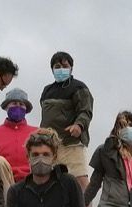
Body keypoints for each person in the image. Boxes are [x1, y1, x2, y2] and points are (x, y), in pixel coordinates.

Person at [39, 51, 94, 195]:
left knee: (80, 179)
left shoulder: (79, 87)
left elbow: (85, 111)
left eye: (65, 66)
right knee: (51, 182)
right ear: (52, 69)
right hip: (50, 145)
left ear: (71, 68)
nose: (61, 69)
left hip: (71, 142)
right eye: (57, 66)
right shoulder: (47, 90)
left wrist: (79, 125)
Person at [0, 88, 39, 181]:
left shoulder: (37, 132)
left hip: (32, 181)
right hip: (3, 182)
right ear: (6, 107)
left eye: (21, 104)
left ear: (26, 109)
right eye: (14, 103)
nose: (18, 107)